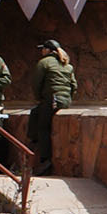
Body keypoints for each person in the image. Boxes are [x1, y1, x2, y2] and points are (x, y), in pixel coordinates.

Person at [27, 40, 76, 176]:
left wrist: (40, 97)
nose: (42, 51)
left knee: (43, 128)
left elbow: (36, 83)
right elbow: (74, 86)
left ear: (48, 50)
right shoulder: (67, 65)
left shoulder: (44, 63)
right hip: (65, 100)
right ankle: (33, 138)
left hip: (51, 99)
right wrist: (67, 98)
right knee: (36, 112)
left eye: (43, 49)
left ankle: (45, 158)